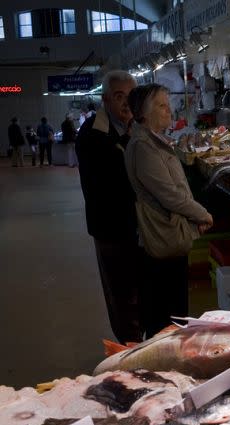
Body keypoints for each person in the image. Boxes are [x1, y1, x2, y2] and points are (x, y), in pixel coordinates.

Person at [125, 84, 213, 337]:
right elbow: (170, 196)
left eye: (167, 104)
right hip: (162, 237)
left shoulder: (154, 141)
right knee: (165, 312)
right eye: (162, 106)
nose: (169, 111)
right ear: (144, 113)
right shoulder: (144, 147)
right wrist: (201, 214)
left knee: (174, 306)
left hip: (171, 232)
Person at [76, 70, 142, 343]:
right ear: (105, 100)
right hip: (111, 229)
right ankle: (129, 350)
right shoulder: (93, 134)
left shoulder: (134, 128)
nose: (126, 103)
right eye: (119, 96)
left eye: (131, 96)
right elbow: (116, 182)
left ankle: (142, 344)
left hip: (139, 226)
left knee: (141, 290)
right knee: (121, 294)